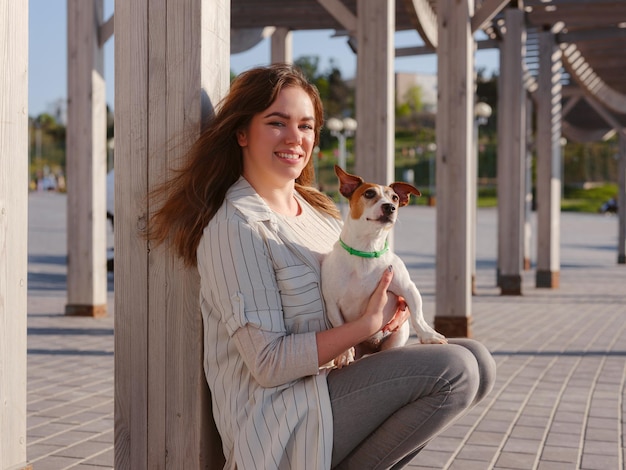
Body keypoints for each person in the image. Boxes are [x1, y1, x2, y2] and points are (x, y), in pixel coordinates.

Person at [148, 63, 496, 469]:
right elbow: (268, 363)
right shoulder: (237, 227)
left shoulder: (321, 214)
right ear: (242, 133)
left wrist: (384, 324)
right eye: (277, 123)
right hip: (281, 417)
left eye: (307, 126)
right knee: (454, 370)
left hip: (332, 384)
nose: (295, 138)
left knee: (478, 361)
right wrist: (364, 328)